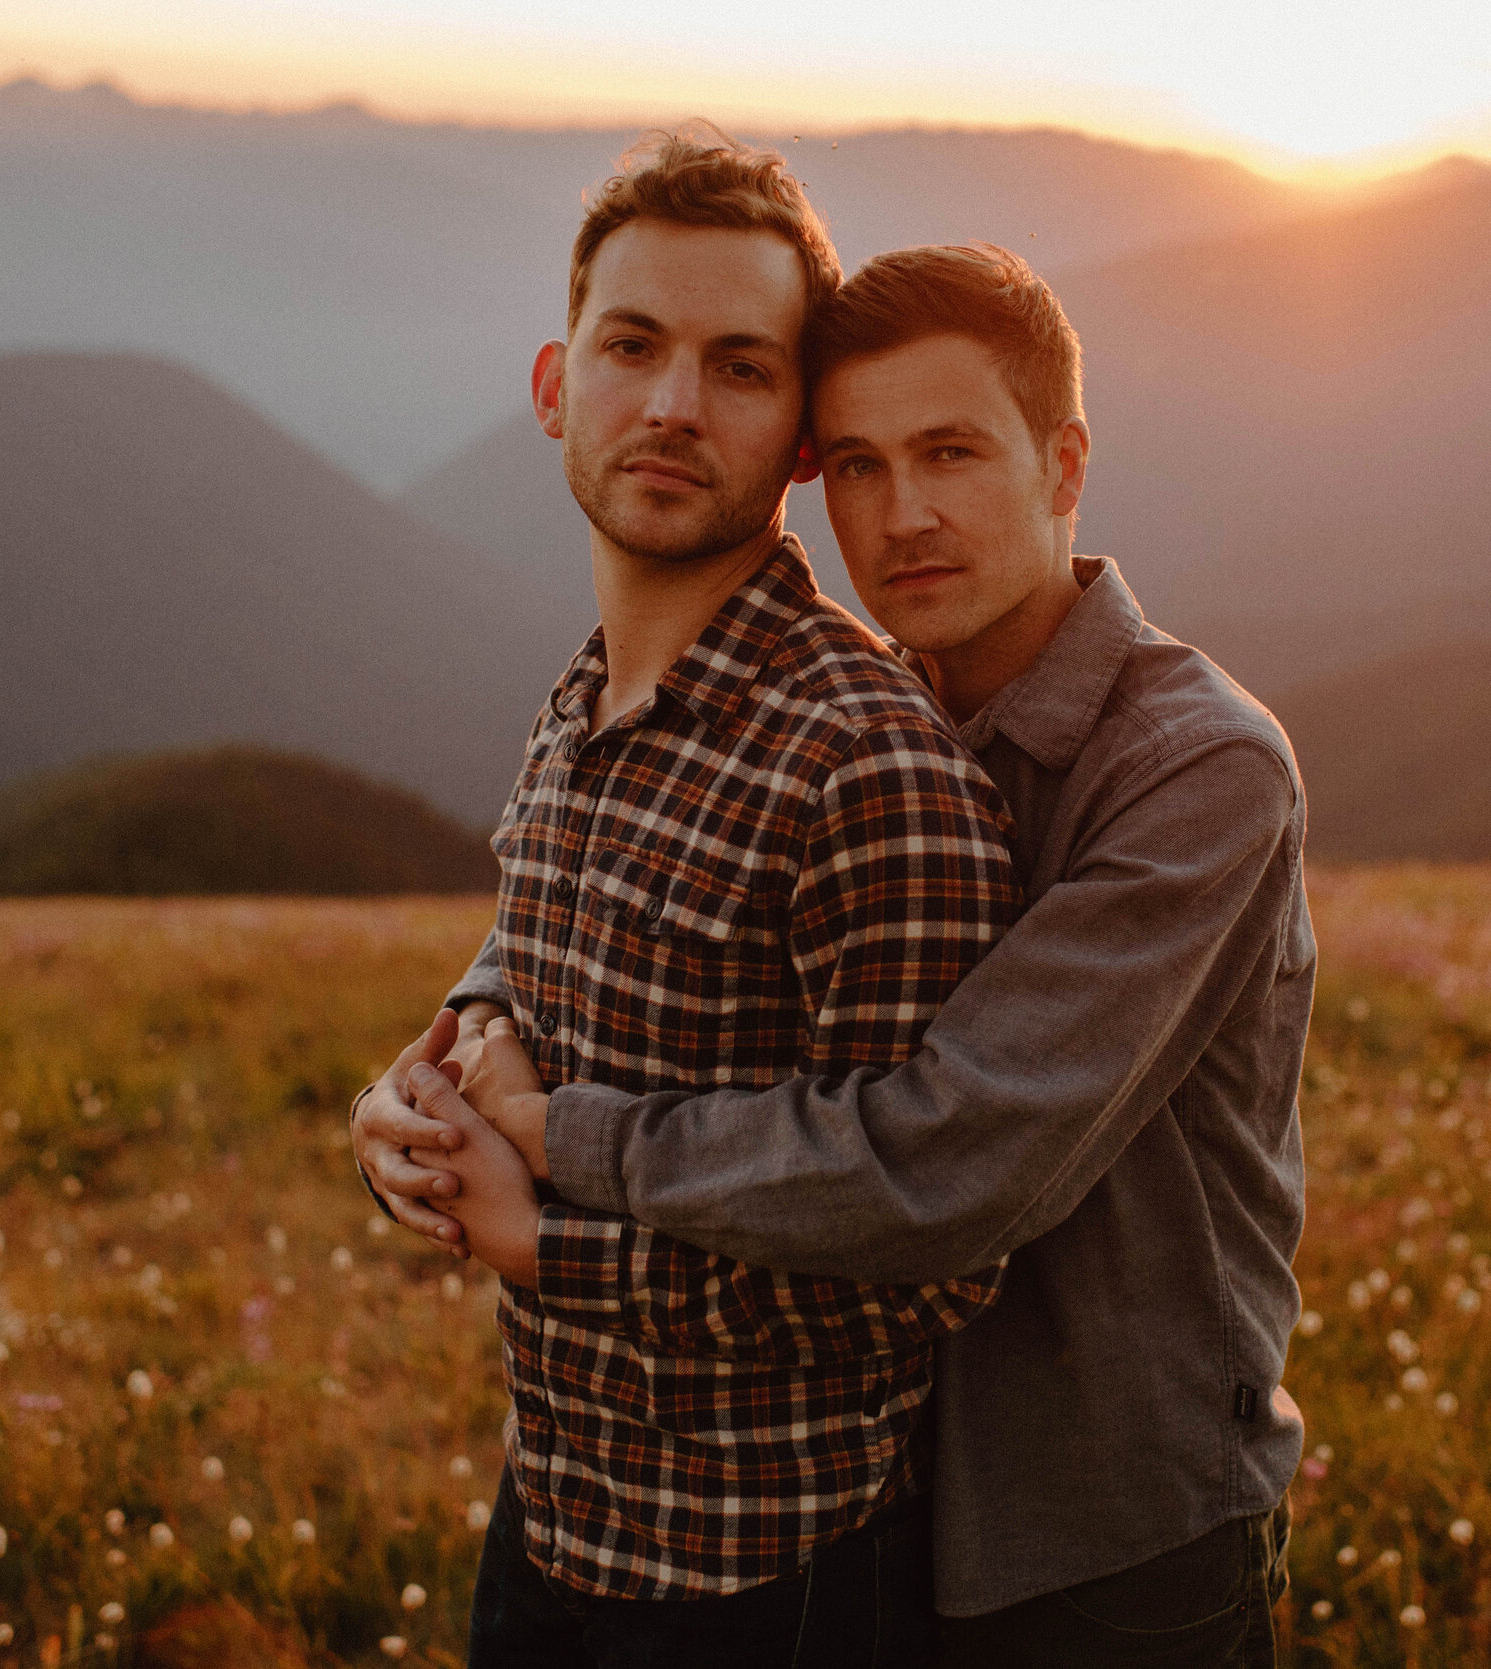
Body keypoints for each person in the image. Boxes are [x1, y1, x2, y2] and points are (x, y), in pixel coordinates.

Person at [380, 242, 1315, 1667]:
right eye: (862, 466)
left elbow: (951, 1158)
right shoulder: (871, 716)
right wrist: (462, 1026)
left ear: (1065, 464)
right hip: (873, 1493)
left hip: (1106, 1522)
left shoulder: (1200, 770)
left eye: (952, 452)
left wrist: (559, 1138)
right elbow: (645, 881)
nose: (906, 515)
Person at [351, 130, 1021, 1666]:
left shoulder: (865, 765)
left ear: (797, 435)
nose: (669, 404)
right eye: (633, 347)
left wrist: (544, 1246)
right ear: (552, 385)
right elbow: (535, 986)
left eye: (737, 365)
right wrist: (413, 1106)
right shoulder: (584, 697)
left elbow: (932, 1255)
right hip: (553, 1525)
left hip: (768, 1590)